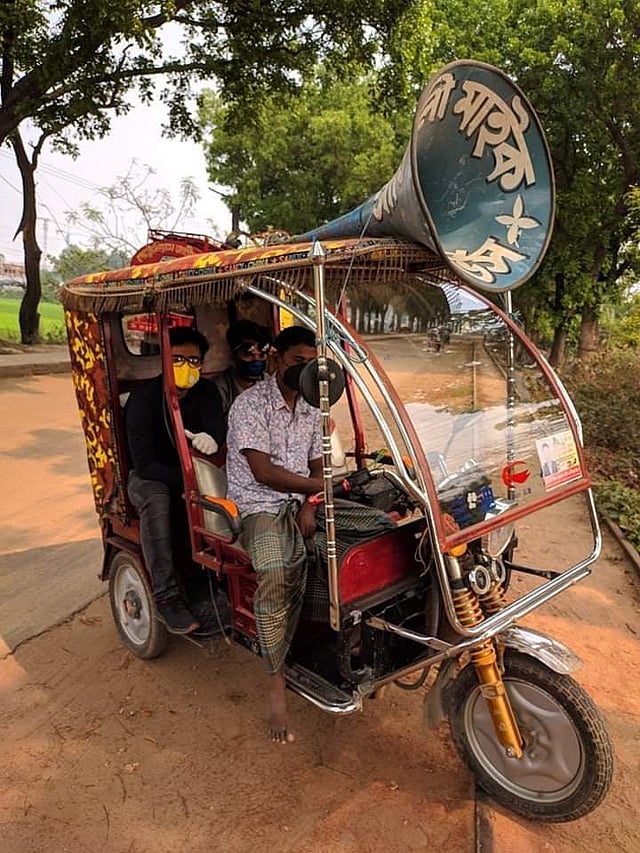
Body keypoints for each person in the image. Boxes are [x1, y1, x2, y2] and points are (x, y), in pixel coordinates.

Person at [225, 325, 323, 743]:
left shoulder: (313, 407)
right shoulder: (250, 406)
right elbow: (263, 473)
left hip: (301, 500)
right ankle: (275, 678)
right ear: (276, 359)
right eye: (297, 362)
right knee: (277, 569)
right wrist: (317, 491)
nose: (304, 370)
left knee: (373, 531)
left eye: (311, 364)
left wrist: (310, 504)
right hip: (258, 507)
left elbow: (317, 465)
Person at [126, 326, 226, 634]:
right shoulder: (143, 399)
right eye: (178, 358)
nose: (187, 367)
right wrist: (185, 486)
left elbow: (218, 429)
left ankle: (211, 577)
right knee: (158, 502)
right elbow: (144, 463)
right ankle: (166, 595)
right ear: (165, 359)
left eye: (193, 360)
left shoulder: (207, 392)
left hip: (198, 472)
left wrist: (212, 438)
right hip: (152, 477)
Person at [213, 319, 273, 413]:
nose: (256, 360)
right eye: (248, 354)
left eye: (261, 355)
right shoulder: (219, 389)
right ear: (233, 355)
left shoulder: (269, 384)